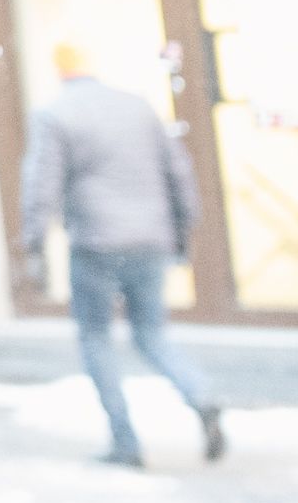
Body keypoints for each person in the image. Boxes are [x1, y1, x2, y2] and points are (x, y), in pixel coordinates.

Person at [21, 42, 226, 469]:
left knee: (96, 338)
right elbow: (177, 168)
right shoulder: (137, 107)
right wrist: (185, 225)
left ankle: (125, 441)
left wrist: (34, 243)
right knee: (151, 332)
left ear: (58, 70)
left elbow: (42, 186)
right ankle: (200, 394)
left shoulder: (54, 115)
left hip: (97, 244)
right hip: (151, 239)